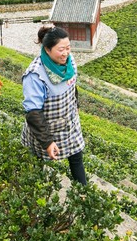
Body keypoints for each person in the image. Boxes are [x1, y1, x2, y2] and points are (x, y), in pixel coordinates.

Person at [21, 24, 87, 185]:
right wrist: (48, 142)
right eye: (60, 49)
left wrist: (76, 104)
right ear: (47, 50)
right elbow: (33, 112)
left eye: (68, 48)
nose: (65, 53)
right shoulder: (35, 75)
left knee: (76, 157)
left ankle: (84, 193)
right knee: (39, 163)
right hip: (45, 128)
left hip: (69, 123)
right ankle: (35, 193)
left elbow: (72, 85)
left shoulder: (69, 62)